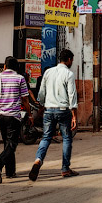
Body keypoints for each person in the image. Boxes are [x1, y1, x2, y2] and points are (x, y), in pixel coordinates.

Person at [29, 48, 78, 180]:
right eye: (71, 60)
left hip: (49, 109)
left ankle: (38, 160)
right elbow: (72, 95)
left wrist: (43, 104)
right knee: (67, 138)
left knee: (46, 138)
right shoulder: (69, 74)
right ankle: (65, 168)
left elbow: (41, 92)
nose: (71, 62)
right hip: (63, 110)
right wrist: (74, 115)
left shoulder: (48, 72)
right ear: (68, 60)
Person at [0, 56, 29, 180]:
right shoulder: (20, 78)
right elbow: (25, 99)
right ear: (16, 67)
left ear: (4, 66)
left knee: (7, 143)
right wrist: (29, 114)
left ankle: (10, 172)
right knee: (12, 145)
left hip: (1, 116)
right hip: (13, 116)